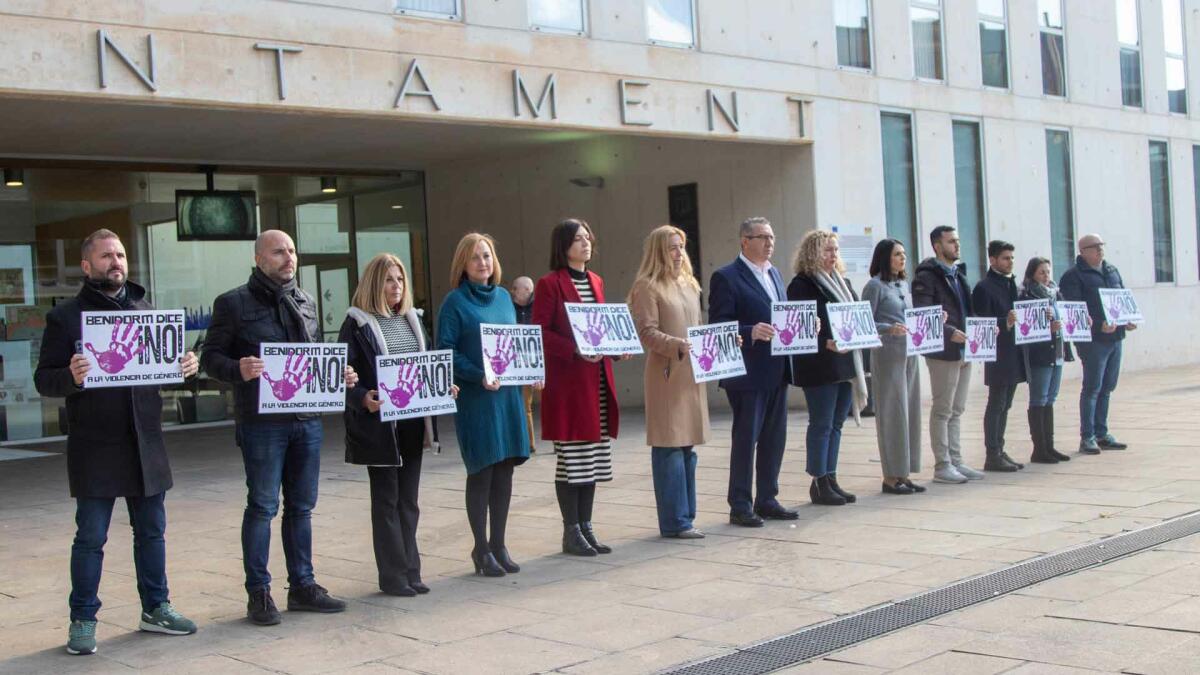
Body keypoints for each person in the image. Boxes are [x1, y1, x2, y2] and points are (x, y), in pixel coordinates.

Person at [35, 229, 199, 655]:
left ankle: (156, 608)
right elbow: (44, 380)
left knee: (152, 533)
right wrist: (70, 377)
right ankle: (83, 620)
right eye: (107, 256)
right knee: (90, 537)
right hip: (96, 446)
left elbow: (163, 374)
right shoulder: (66, 318)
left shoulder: (146, 310)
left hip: (145, 442)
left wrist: (185, 366)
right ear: (87, 266)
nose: (117, 262)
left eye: (121, 255)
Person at [202, 229, 358, 625]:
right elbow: (210, 358)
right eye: (278, 252)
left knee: (302, 507)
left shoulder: (304, 301)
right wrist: (236, 368)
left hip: (307, 420)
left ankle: (303, 586)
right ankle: (259, 593)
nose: (288, 257)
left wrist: (336, 375)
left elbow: (312, 357)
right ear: (259, 259)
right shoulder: (232, 303)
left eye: (291, 251)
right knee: (263, 506)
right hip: (262, 423)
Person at [338, 254, 457, 596]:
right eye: (389, 280)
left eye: (401, 280)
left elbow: (427, 365)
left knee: (409, 501)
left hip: (412, 424)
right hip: (379, 427)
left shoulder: (412, 321)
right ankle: (392, 576)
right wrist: (362, 396)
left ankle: (411, 570)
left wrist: (443, 385)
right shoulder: (356, 324)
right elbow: (343, 376)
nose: (396, 286)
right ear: (375, 284)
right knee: (387, 501)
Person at [436, 233, 534, 577]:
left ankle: (499, 544)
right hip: (478, 397)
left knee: (505, 468)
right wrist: (477, 375)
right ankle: (480, 548)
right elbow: (445, 350)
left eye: (488, 256)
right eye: (476, 257)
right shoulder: (454, 302)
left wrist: (531, 370)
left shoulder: (505, 298)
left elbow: (516, 344)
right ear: (463, 263)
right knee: (483, 470)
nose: (483, 263)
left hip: (507, 396)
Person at [534, 219, 624, 556]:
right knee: (572, 460)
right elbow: (540, 331)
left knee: (594, 459)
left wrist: (617, 346)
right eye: (577, 239)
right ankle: (570, 531)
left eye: (588, 237)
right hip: (569, 384)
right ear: (563, 245)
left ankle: (586, 527)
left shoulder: (596, 280)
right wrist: (574, 350)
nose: (585, 243)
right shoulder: (550, 283)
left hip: (597, 381)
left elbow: (600, 328)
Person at [709, 217, 797, 526]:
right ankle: (741, 504)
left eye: (772, 237)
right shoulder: (726, 277)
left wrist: (803, 326)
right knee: (746, 439)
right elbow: (719, 326)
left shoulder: (774, 273)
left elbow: (782, 317)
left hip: (777, 368)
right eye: (762, 237)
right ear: (744, 241)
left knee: (775, 438)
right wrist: (749, 331)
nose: (770, 243)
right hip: (746, 373)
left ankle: (768, 498)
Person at [628, 225, 709, 538]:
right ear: (659, 251)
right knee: (669, 447)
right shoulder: (647, 286)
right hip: (667, 374)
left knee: (687, 448)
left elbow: (698, 326)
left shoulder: (689, 284)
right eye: (672, 247)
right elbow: (646, 331)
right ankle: (674, 521)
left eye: (681, 246)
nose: (679, 253)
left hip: (691, 373)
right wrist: (676, 344)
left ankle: (686, 517)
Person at [787, 230, 867, 506]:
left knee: (836, 424)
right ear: (812, 253)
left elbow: (857, 316)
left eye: (835, 250)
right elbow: (797, 327)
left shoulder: (841, 283)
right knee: (821, 423)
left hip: (844, 363)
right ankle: (818, 481)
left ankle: (831, 478)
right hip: (818, 364)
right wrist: (826, 342)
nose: (833, 255)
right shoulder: (802, 285)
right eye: (827, 250)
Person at [912, 226, 982, 484]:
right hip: (943, 350)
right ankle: (942, 465)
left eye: (957, 240)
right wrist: (949, 331)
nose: (957, 245)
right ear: (937, 246)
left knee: (958, 408)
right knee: (942, 409)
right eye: (951, 241)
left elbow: (968, 309)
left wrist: (981, 329)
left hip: (965, 348)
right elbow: (924, 312)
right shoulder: (926, 277)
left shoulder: (958, 274)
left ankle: (957, 460)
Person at [1059, 233, 1136, 454]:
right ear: (1082, 251)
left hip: (1115, 338)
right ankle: (1087, 437)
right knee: (1092, 387)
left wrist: (1127, 319)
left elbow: (1121, 298)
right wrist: (1098, 325)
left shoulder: (1111, 270)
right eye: (1094, 247)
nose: (1100, 249)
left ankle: (1102, 433)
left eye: (1101, 245)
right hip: (1093, 341)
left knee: (1107, 387)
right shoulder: (1073, 276)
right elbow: (1072, 311)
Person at [861, 238, 925, 495]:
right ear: (885, 257)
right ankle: (890, 476)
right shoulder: (874, 286)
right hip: (887, 355)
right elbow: (864, 323)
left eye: (904, 254)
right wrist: (888, 328)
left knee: (909, 412)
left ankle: (904, 472)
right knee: (891, 413)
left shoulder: (902, 285)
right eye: (898, 254)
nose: (902, 259)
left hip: (909, 354)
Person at [971, 241, 1026, 473]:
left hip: (1015, 350)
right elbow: (979, 321)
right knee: (996, 403)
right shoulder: (984, 287)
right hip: (998, 353)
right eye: (1005, 258)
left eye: (1012, 257)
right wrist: (1006, 322)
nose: (1010, 261)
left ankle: (1000, 449)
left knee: (1006, 404)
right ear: (993, 260)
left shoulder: (1012, 283)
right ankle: (992, 453)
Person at [1020, 257, 1076, 464]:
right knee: (1039, 398)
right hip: (1041, 353)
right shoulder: (1027, 294)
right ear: (1032, 274)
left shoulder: (1055, 292)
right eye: (1041, 272)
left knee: (1050, 398)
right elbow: (1027, 326)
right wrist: (1046, 327)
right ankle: (1039, 448)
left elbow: (1067, 317)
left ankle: (1049, 445)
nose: (1046, 276)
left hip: (1058, 351)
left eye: (1048, 272)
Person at [511, 276, 538, 454]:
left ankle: (556, 441)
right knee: (525, 405)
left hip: (540, 360)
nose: (512, 291)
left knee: (549, 403)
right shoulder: (508, 309)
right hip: (520, 363)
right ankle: (530, 444)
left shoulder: (538, 308)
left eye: (516, 288)